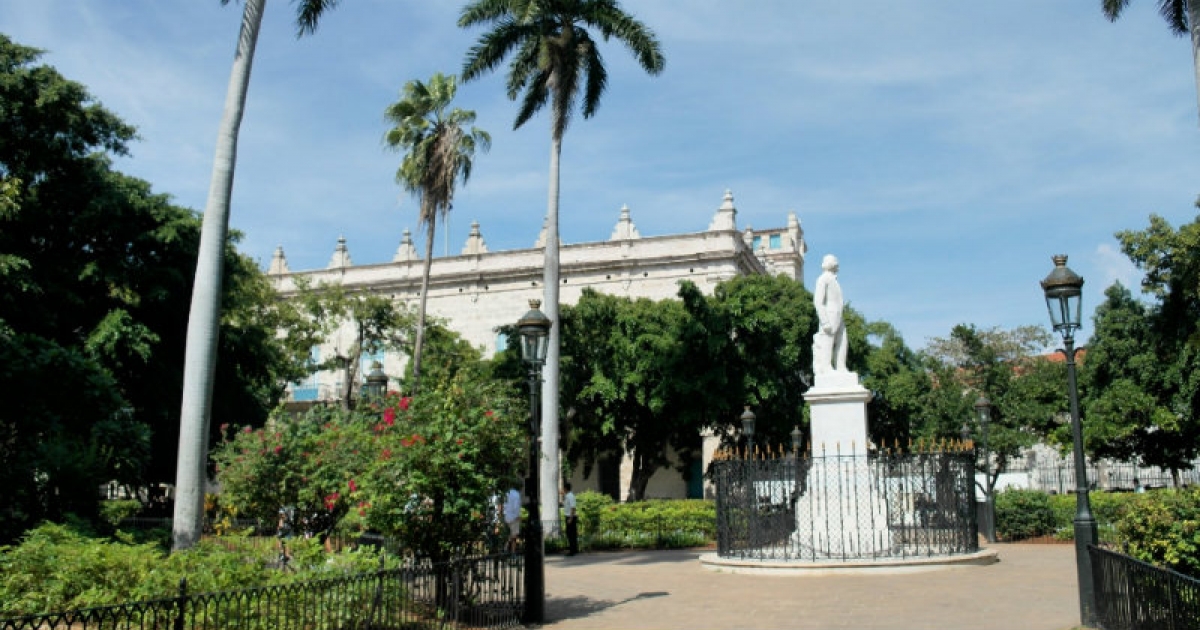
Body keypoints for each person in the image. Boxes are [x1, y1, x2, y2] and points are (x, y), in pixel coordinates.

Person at [812, 254, 848, 375]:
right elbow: (818, 301)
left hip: (838, 316)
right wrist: (825, 321)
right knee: (827, 341)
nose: (836, 263)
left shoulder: (834, 280)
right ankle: (826, 367)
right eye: (834, 261)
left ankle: (841, 366)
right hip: (829, 315)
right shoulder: (823, 279)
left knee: (843, 340)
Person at [503, 484, 522, 552]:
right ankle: (510, 549)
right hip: (514, 517)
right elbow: (516, 506)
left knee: (511, 534)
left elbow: (504, 505)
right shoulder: (516, 494)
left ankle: (508, 548)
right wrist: (518, 516)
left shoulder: (506, 494)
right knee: (514, 535)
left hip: (507, 516)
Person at [563, 483, 578, 556]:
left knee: (570, 534)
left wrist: (570, 518)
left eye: (564, 488)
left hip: (570, 517)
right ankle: (574, 549)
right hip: (569, 516)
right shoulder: (568, 495)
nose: (563, 490)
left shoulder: (570, 496)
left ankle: (572, 551)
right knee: (571, 534)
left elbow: (573, 508)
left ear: (565, 488)